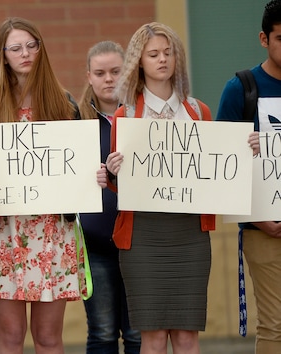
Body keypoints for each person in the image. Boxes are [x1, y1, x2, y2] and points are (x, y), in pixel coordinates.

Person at [0, 17, 107, 354]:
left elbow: (80, 165)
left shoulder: (64, 103)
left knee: (49, 338)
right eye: (16, 48)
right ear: (3, 55)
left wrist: (93, 176)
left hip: (53, 231)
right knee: (10, 337)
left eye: (31, 45)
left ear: (41, 50)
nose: (25, 53)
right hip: (4, 232)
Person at [104, 22, 216, 354]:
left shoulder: (198, 112)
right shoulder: (125, 116)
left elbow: (216, 170)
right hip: (143, 236)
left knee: (186, 336)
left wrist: (244, 149)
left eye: (168, 53)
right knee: (151, 337)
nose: (162, 60)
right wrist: (112, 173)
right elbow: (117, 186)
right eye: (153, 54)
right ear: (139, 61)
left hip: (190, 233)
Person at [217, 1, 281, 352]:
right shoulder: (241, 88)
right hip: (264, 229)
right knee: (274, 324)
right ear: (263, 39)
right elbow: (222, 166)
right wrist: (257, 219)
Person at [77, 41, 141, 354]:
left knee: (137, 334)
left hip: (139, 241)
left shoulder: (144, 118)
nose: (108, 79)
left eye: (116, 71)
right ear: (88, 76)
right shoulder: (74, 122)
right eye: (100, 73)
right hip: (94, 242)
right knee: (102, 333)